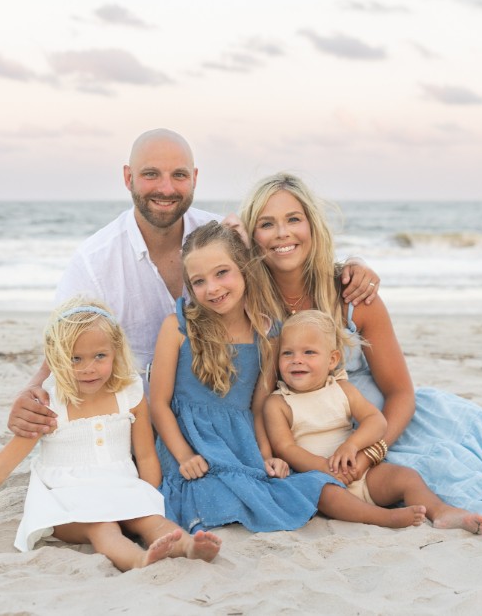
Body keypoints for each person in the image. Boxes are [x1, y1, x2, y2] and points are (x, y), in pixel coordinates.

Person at [240, 172, 482, 535]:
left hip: (387, 428)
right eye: (266, 223)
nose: (282, 233)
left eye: (294, 219)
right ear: (252, 235)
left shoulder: (353, 295)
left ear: (313, 225)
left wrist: (374, 451)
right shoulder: (247, 304)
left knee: (453, 475)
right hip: (310, 442)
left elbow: (401, 392)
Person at [8, 129, 379, 438]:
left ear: (195, 179)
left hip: (230, 416)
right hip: (141, 418)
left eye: (179, 176)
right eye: (151, 174)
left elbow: (285, 257)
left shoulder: (223, 237)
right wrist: (32, 388)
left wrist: (351, 266)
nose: (166, 188)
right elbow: (65, 339)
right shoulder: (94, 260)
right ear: (128, 178)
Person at [150, 222, 422, 532]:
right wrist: (184, 456)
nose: (212, 288)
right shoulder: (177, 327)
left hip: (242, 442)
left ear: (244, 269)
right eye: (198, 281)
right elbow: (158, 403)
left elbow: (258, 407)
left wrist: (266, 456)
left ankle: (379, 517)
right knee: (211, 493)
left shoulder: (266, 333)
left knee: (304, 487)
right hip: (190, 441)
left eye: (222, 273)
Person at [0, 296, 222, 571]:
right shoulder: (49, 404)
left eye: (100, 356)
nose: (89, 368)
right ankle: (137, 560)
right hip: (66, 499)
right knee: (103, 528)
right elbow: (1, 465)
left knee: (152, 522)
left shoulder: (129, 393)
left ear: (116, 350)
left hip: (120, 486)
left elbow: (146, 455)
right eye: (75, 359)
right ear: (56, 357)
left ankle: (188, 548)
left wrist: (148, 498)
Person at [265, 310, 482, 534]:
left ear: (332, 360)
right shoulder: (279, 403)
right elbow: (285, 447)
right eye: (287, 353)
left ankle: (441, 511)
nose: (297, 360)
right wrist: (323, 469)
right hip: (319, 478)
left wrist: (351, 445)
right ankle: (385, 517)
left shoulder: (342, 389)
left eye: (309, 352)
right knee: (325, 495)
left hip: (360, 472)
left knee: (406, 477)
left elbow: (376, 421)